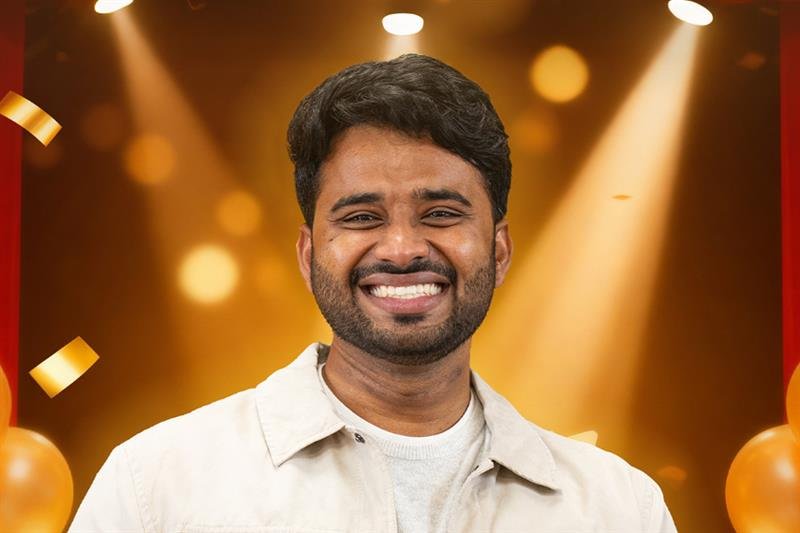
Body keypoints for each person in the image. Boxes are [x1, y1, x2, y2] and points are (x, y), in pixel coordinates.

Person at [70, 54, 677, 533]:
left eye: (441, 213)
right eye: (361, 217)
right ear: (309, 255)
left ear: (498, 250)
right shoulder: (158, 484)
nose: (402, 249)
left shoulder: (619, 509)